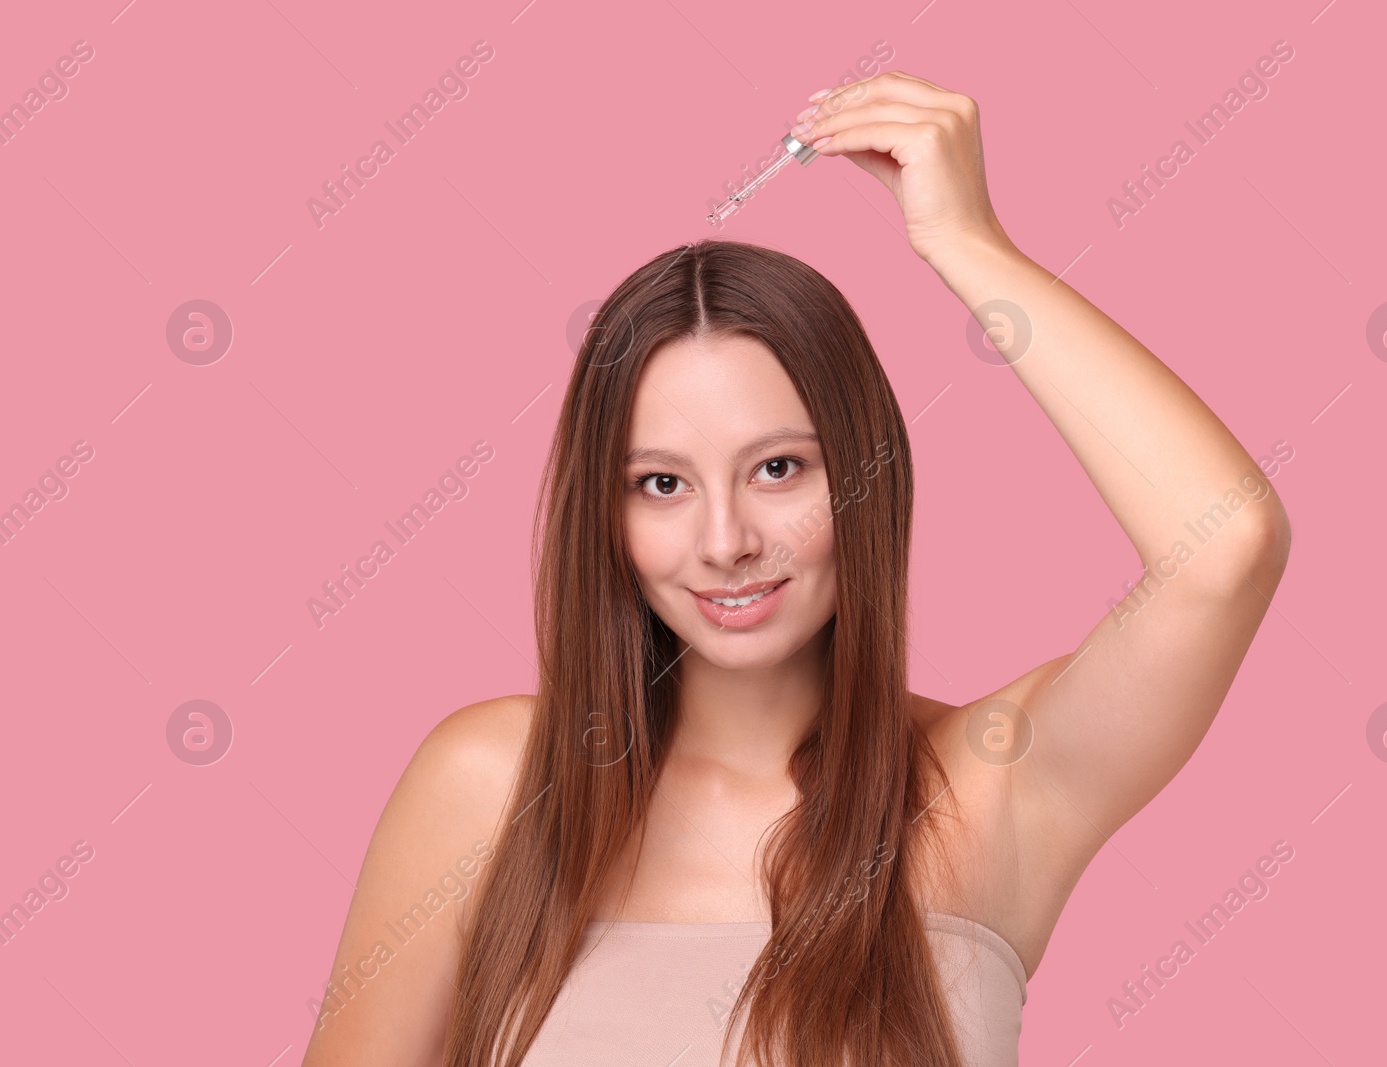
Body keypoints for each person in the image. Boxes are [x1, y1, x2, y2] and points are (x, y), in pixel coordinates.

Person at [301, 70, 1291, 1067]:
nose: (725, 539)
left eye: (777, 468)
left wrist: (967, 243)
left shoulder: (989, 791)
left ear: (864, 473)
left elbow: (1223, 547)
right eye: (660, 484)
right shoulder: (496, 783)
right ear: (603, 513)